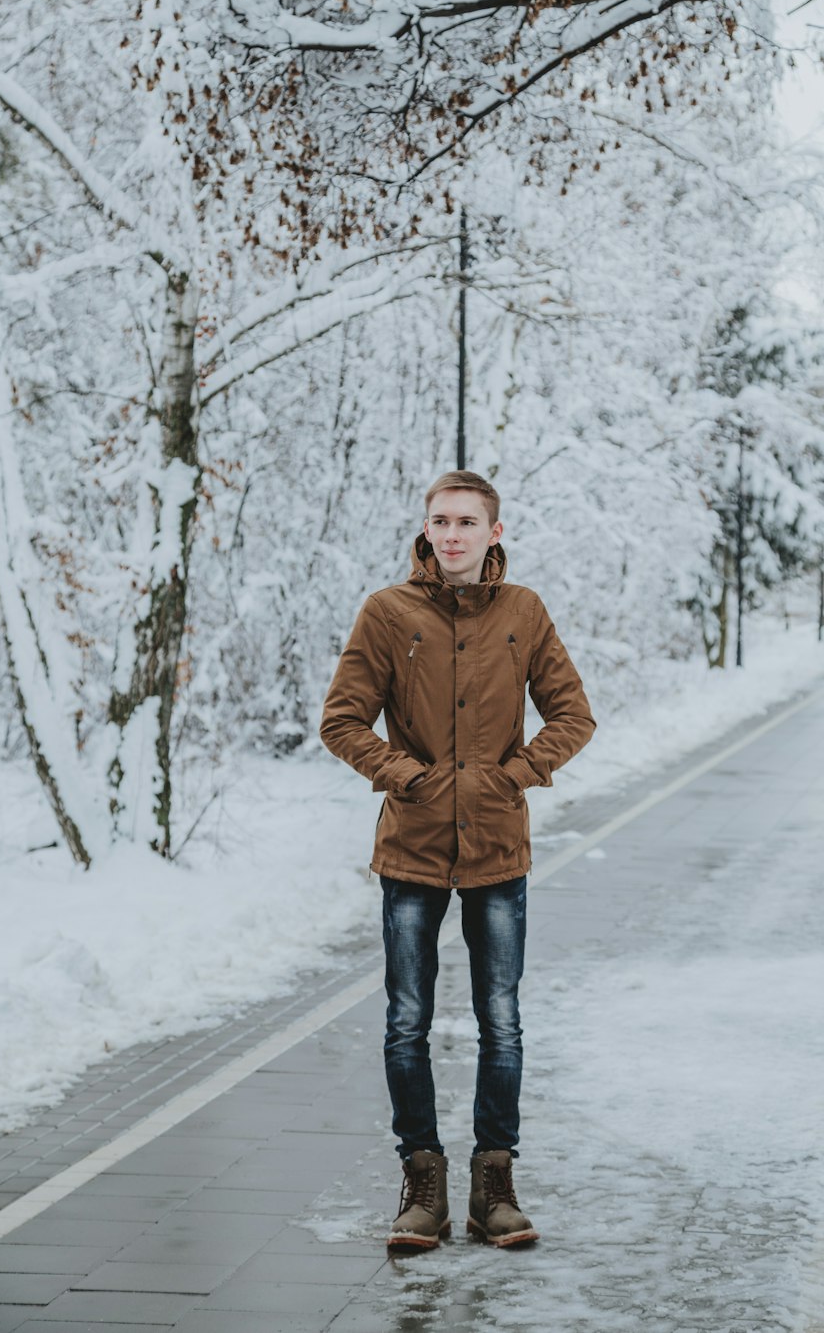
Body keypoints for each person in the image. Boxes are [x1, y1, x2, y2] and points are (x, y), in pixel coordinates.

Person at [320, 470, 595, 1251]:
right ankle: (422, 1182)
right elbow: (342, 721)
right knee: (407, 1020)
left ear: (493, 533)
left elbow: (573, 714)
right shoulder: (387, 612)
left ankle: (494, 1185)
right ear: (425, 530)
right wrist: (406, 776)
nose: (452, 535)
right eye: (440, 520)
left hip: (497, 848)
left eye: (467, 522)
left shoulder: (523, 612)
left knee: (499, 1020)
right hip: (410, 847)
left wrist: (514, 774)